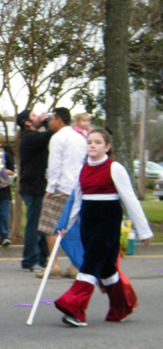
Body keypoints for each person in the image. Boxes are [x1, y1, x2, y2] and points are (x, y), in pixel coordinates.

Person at [54, 127, 153, 326]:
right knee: (106, 269)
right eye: (90, 141)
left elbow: (130, 200)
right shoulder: (82, 169)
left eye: (98, 142)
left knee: (90, 263)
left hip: (108, 222)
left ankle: (74, 308)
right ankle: (122, 306)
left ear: (107, 147)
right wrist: (65, 225)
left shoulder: (114, 168)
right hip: (88, 223)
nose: (92, 145)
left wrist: (143, 230)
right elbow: (76, 202)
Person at [37, 107, 87, 278]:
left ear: (59, 120)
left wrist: (50, 189)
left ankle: (54, 264)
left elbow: (55, 166)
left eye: (52, 119)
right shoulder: (81, 138)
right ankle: (75, 266)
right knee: (75, 226)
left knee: (50, 225)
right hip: (78, 187)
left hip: (61, 187)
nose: (49, 122)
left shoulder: (58, 138)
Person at [17, 109, 53, 273]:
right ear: (27, 123)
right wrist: (47, 120)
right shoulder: (30, 137)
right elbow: (50, 134)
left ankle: (42, 258)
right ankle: (29, 260)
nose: (38, 116)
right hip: (33, 187)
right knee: (34, 225)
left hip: (38, 186)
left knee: (41, 224)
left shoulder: (33, 138)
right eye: (33, 116)